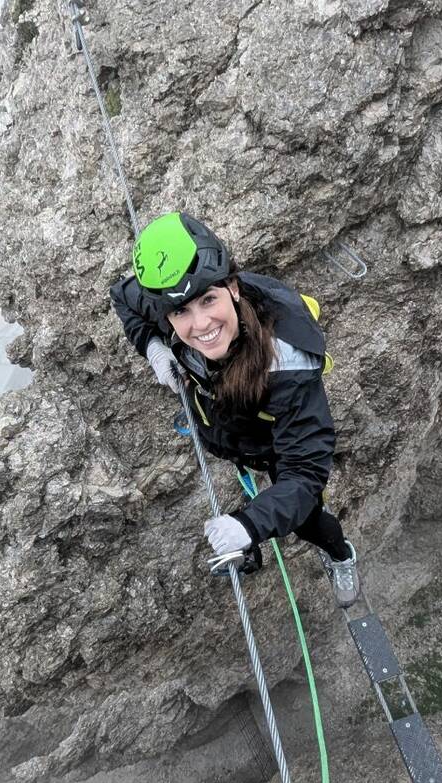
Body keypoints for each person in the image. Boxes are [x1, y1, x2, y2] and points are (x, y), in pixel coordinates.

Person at [110, 211, 360, 606]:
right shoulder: (169, 298)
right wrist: (154, 348)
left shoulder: (287, 367)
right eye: (180, 312)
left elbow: (306, 471)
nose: (200, 324)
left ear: (233, 287)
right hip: (227, 428)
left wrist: (248, 523)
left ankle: (341, 554)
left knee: (308, 519)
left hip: (274, 446)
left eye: (208, 300)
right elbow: (122, 296)